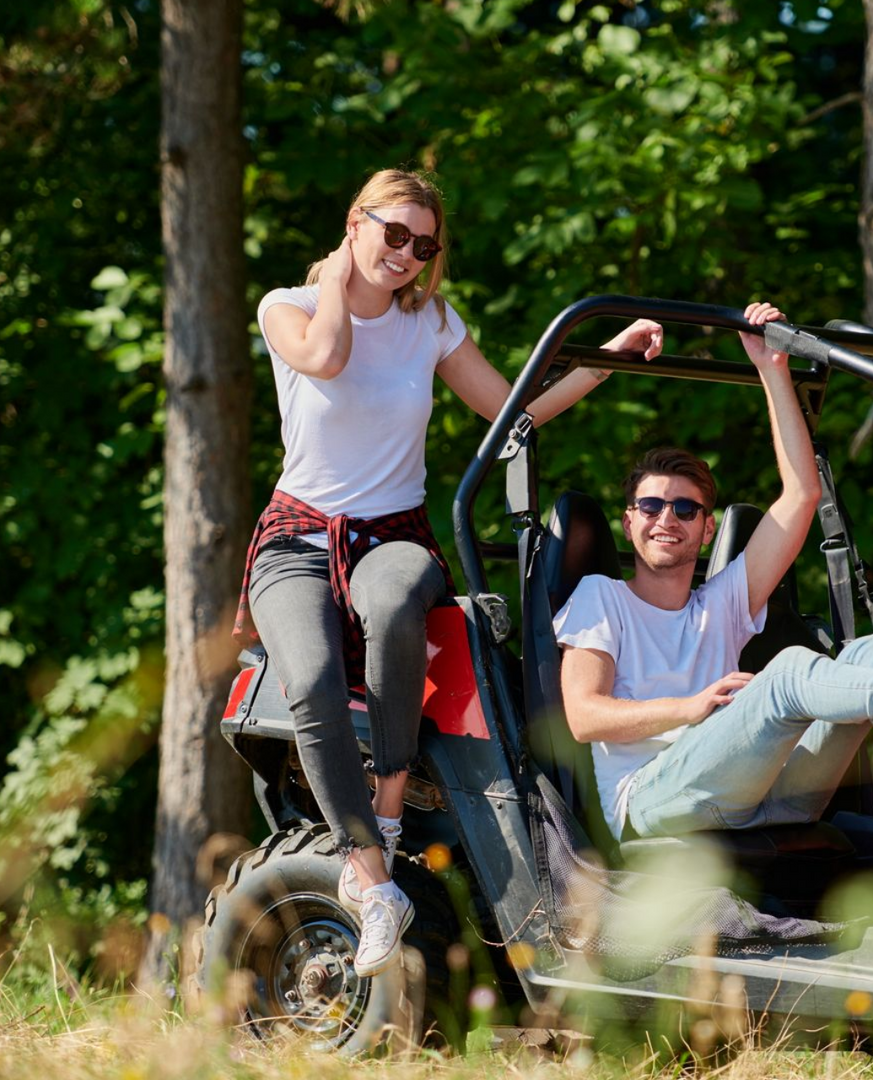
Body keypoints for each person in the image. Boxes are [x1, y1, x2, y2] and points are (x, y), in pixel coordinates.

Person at [240, 169, 663, 975]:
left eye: (423, 244)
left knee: (399, 603)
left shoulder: (428, 320)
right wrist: (334, 276)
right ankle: (372, 879)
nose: (406, 255)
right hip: (296, 537)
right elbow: (326, 357)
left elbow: (512, 413)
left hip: (393, 534)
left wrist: (603, 361)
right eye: (393, 234)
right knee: (314, 678)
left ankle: (389, 815)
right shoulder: (286, 306)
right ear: (354, 221)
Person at [554, 302, 873, 844]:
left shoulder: (721, 604)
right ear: (628, 520)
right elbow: (584, 717)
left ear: (706, 530)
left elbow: (802, 496)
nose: (667, 519)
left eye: (685, 510)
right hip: (651, 800)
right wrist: (691, 707)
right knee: (789, 672)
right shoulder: (601, 597)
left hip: (765, 793)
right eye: (652, 505)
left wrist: (772, 367)